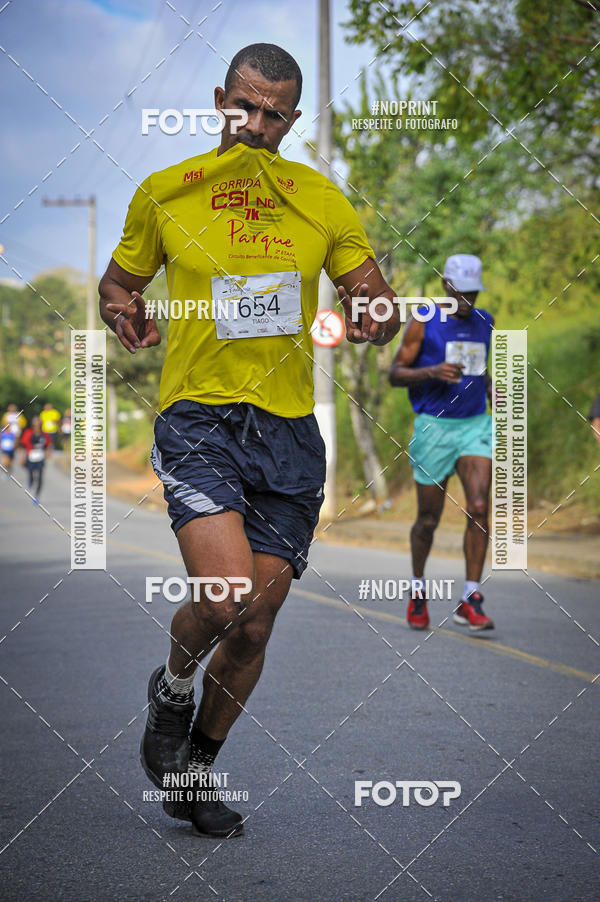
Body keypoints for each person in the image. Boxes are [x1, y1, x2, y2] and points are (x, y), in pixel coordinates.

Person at [99, 43, 400, 838]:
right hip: (199, 418)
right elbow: (118, 283)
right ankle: (169, 690)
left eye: (275, 114)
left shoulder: (320, 200)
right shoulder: (167, 193)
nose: (257, 125)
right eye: (245, 106)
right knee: (226, 597)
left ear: (292, 120)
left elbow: (371, 293)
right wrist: (123, 311)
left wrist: (376, 312)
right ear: (219, 100)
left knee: (257, 623)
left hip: (290, 435)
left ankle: (197, 767)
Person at [389, 253, 495, 632]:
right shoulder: (424, 320)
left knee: (480, 506)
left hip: (474, 424)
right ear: (446, 285)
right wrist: (432, 371)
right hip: (434, 426)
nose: (468, 300)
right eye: (461, 291)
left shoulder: (485, 322)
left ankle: (471, 597)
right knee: (428, 520)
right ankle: (418, 590)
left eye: (473, 293)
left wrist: (491, 387)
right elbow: (395, 374)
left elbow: (480, 367)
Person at [20, 415, 51, 503]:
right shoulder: (28, 433)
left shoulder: (45, 435)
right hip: (30, 457)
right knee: (31, 473)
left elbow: (47, 445)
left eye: (39, 425)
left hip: (41, 458)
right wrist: (21, 458)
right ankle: (30, 480)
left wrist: (48, 452)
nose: (37, 427)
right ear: (33, 425)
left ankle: (36, 496)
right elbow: (23, 446)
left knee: (40, 477)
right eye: (35, 425)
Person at [1, 403, 26, 476]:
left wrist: (18, 427)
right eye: (10, 408)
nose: (12, 409)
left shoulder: (19, 415)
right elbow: (4, 424)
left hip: (16, 434)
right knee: (6, 454)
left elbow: (23, 424)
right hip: (7, 435)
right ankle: (6, 466)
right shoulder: (6, 415)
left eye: (13, 408)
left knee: (14, 450)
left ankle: (17, 459)